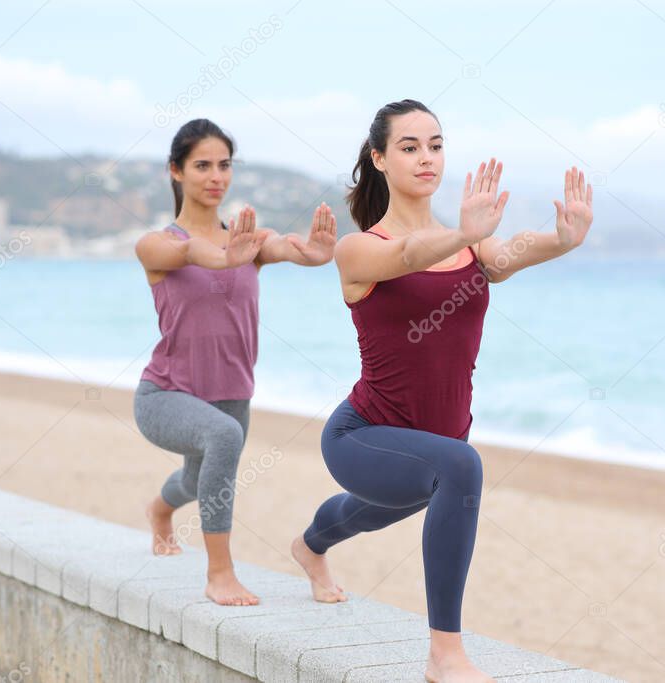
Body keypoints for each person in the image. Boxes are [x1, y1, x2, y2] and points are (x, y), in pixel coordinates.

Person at [291, 100, 594, 683]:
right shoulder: (358, 250)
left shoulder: (472, 244)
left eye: (435, 144)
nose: (426, 157)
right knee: (460, 467)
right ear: (379, 159)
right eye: (409, 147)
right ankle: (444, 655)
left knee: (365, 513)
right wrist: (461, 230)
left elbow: (507, 255)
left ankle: (309, 547)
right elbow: (407, 255)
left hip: (434, 440)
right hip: (364, 435)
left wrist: (562, 240)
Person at [133, 118, 337, 606]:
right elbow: (190, 250)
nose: (215, 175)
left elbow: (287, 247)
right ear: (176, 171)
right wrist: (223, 258)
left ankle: (159, 512)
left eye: (224, 165)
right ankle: (220, 575)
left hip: (232, 393)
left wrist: (315, 253)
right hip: (165, 395)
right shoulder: (156, 244)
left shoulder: (249, 241)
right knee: (222, 441)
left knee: (196, 480)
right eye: (202, 165)